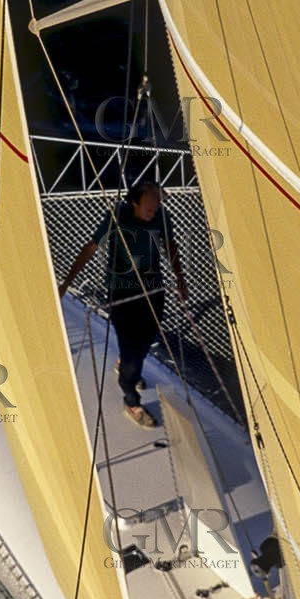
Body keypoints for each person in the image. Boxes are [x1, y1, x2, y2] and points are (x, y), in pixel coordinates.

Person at [59, 180, 188, 428]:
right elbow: (91, 247)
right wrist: (67, 282)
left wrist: (180, 278)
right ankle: (131, 399)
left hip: (153, 288)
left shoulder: (161, 214)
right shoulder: (117, 215)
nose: (153, 213)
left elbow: (170, 245)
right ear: (133, 203)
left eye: (156, 207)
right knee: (132, 355)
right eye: (148, 209)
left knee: (149, 334)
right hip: (122, 292)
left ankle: (126, 364)